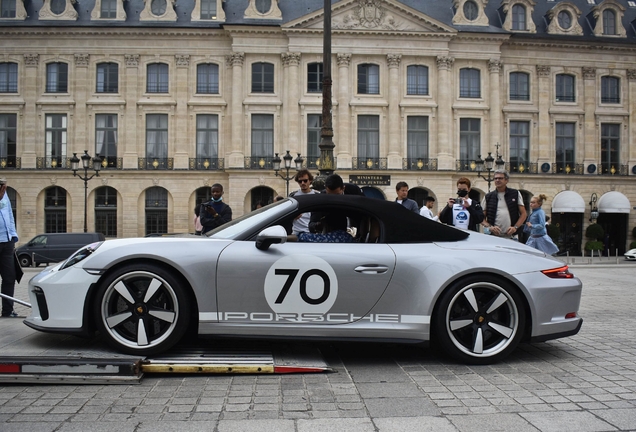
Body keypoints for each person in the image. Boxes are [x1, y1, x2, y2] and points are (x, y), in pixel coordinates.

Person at [482, 170, 527, 239]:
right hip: (493, 237)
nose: (497, 180)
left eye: (500, 178)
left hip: (512, 236)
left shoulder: (515, 194)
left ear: (506, 180)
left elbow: (523, 214)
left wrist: (515, 227)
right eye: (495, 178)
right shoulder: (488, 196)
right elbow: (481, 217)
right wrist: (490, 227)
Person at [0, 178, 19, 318]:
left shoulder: (5, 194)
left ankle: (7, 310)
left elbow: (9, 215)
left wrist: (13, 235)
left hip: (7, 242)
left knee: (9, 277)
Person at [289, 169, 318, 235]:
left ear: (310, 180)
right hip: (296, 231)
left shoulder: (316, 195)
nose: (303, 183)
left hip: (311, 232)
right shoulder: (293, 196)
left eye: (305, 181)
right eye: (300, 181)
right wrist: (293, 216)